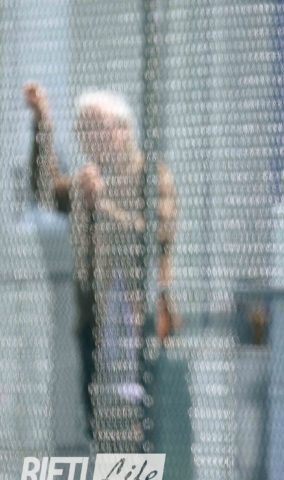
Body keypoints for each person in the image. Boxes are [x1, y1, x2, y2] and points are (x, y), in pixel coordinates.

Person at [23, 82, 177, 444]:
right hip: (94, 323)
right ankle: (110, 478)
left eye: (96, 126)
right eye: (83, 128)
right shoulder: (86, 180)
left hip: (140, 322)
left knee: (141, 425)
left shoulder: (150, 175)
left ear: (122, 130)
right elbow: (45, 191)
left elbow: (155, 237)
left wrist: (102, 205)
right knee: (100, 425)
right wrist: (42, 123)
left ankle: (138, 479)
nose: (89, 137)